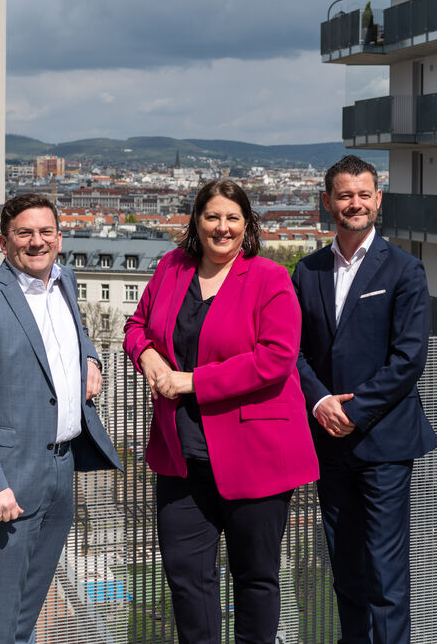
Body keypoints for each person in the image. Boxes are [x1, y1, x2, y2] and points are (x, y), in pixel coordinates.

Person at [123, 179, 319, 644]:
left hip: (254, 455)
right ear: (196, 221)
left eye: (233, 218)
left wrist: (190, 381)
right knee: (187, 578)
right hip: (182, 456)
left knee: (255, 577)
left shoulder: (269, 278)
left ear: (248, 225)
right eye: (212, 216)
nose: (222, 227)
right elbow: (136, 326)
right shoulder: (172, 267)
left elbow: (276, 358)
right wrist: (148, 357)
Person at [0, 192, 120, 644]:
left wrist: (91, 358)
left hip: (61, 467)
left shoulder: (65, 281)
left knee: (31, 604)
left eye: (45, 232)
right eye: (24, 233)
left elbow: (73, 336)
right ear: (3, 242)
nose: (36, 242)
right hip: (9, 477)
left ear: (59, 238)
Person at [292, 155, 437, 644]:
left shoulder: (404, 270)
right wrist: (320, 403)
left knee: (385, 573)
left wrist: (352, 412)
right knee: (344, 568)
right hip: (329, 444)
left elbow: (408, 359)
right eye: (343, 195)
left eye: (363, 194)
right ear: (327, 202)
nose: (353, 204)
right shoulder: (307, 271)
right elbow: (293, 352)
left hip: (383, 444)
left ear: (378, 200)